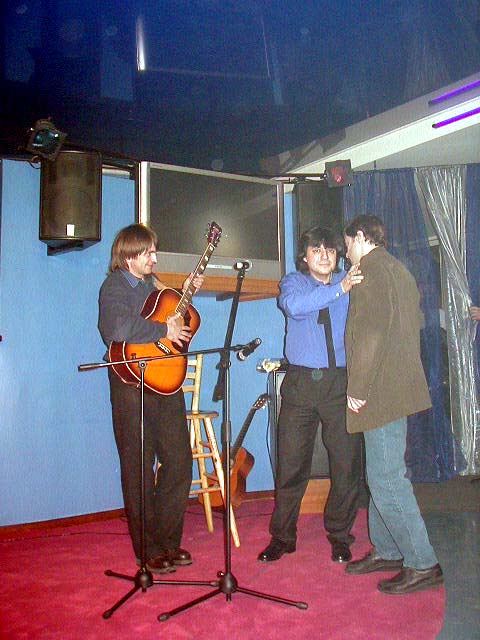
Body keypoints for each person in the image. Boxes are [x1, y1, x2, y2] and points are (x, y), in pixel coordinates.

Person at [343, 215, 444, 595]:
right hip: (396, 386)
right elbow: (414, 321)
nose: (346, 253)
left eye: (347, 245)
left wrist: (358, 387)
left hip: (380, 390)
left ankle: (422, 562)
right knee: (381, 475)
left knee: (387, 479)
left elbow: (370, 334)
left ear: (360, 237)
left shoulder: (369, 271)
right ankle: (387, 550)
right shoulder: (398, 270)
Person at [98, 223, 203, 574]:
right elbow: (116, 329)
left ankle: (168, 542)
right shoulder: (114, 286)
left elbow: (173, 316)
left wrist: (186, 293)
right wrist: (162, 329)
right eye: (149, 253)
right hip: (131, 384)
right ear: (129, 255)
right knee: (139, 468)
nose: (154, 259)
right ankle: (148, 550)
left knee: (179, 460)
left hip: (164, 381)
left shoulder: (151, 285)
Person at [257, 226, 364, 564]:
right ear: (304, 257)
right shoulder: (294, 283)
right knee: (291, 464)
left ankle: (340, 535)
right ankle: (283, 537)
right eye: (316, 250)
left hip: (339, 383)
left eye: (329, 250)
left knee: (346, 464)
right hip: (301, 383)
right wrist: (339, 290)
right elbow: (294, 306)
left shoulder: (349, 280)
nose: (324, 255)